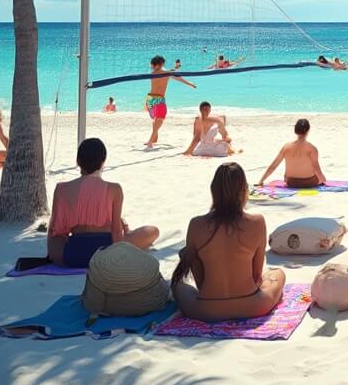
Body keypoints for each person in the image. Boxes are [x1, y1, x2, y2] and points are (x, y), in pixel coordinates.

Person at [171, 162, 285, 322]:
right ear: (244, 191)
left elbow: (200, 282)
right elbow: (256, 277)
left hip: (206, 310)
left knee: (177, 285)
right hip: (253, 306)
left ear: (213, 191)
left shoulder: (196, 224)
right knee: (278, 274)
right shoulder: (257, 222)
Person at [47, 138, 159, 267]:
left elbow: (55, 231)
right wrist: (126, 233)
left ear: (78, 161)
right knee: (153, 231)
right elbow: (116, 231)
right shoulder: (114, 189)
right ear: (103, 162)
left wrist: (55, 254)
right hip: (107, 249)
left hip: (74, 251)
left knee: (57, 241)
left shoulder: (61, 188)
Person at [257, 118, 326, 188]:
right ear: (308, 131)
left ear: (295, 130)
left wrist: (260, 181)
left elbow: (273, 166)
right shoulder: (312, 148)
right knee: (317, 176)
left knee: (286, 175)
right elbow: (317, 170)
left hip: (291, 183)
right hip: (309, 183)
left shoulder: (286, 147)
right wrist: (323, 181)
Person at [145, 55, 196, 148]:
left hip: (149, 99)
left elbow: (171, 73)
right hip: (159, 99)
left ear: (153, 64)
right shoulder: (166, 73)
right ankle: (150, 140)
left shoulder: (153, 73)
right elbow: (178, 78)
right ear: (162, 63)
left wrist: (174, 69)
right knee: (159, 119)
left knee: (156, 119)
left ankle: (154, 138)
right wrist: (190, 84)